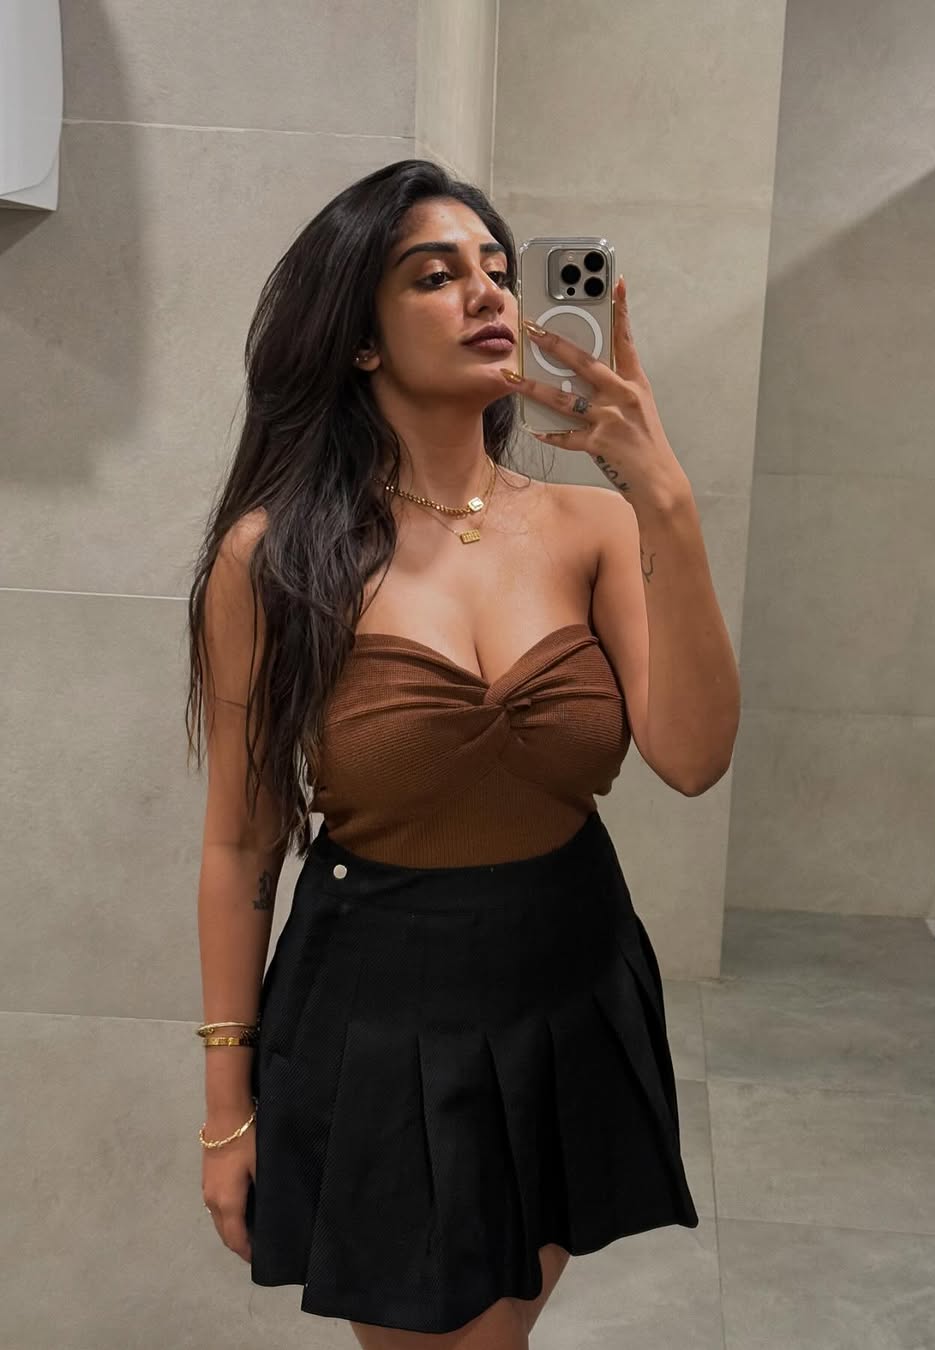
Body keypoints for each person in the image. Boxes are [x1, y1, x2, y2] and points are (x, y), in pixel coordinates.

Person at [185, 159, 740, 1349]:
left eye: (497, 268)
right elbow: (239, 849)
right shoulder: (274, 559)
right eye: (435, 276)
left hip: (569, 987)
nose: (488, 294)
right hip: (379, 1014)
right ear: (359, 339)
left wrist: (666, 499)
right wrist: (228, 1109)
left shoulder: (592, 524)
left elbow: (693, 757)